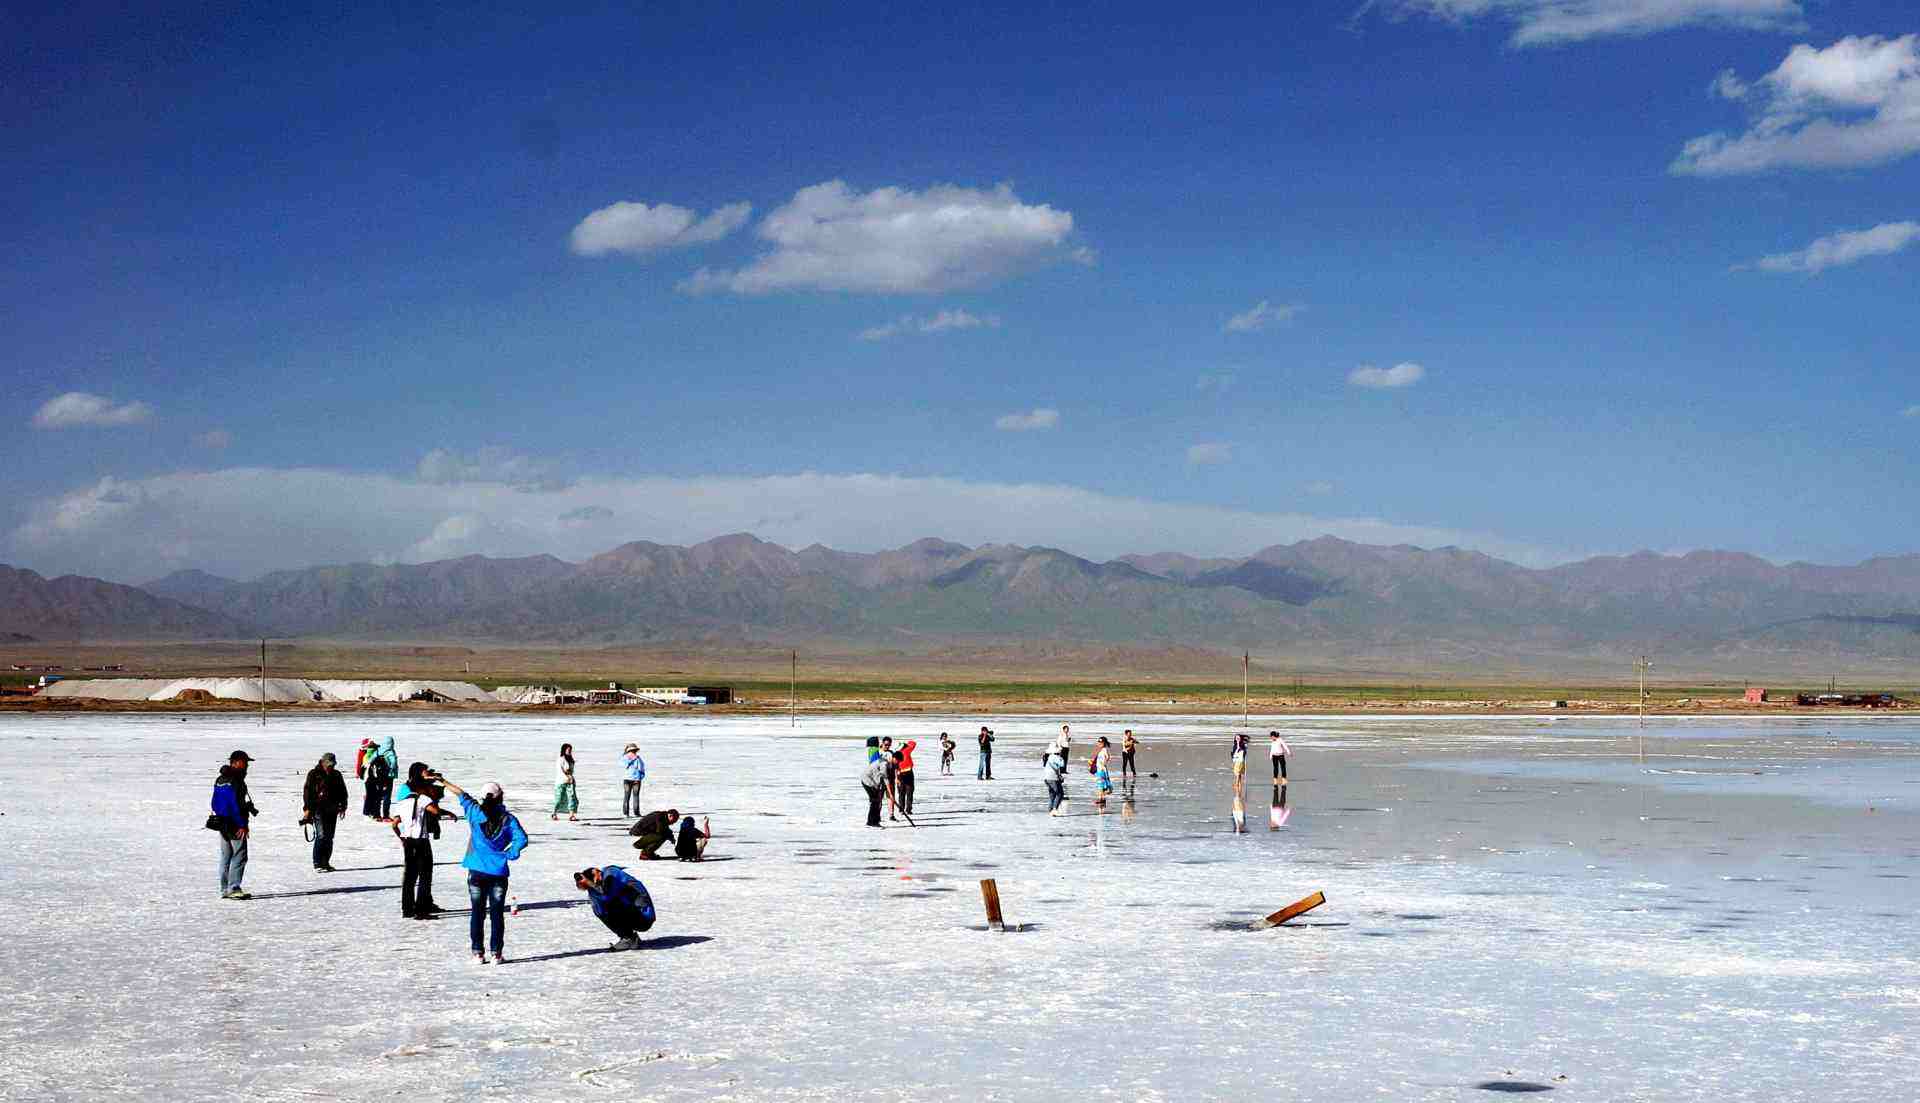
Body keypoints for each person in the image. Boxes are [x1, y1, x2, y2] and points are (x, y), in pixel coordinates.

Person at [439, 776, 528, 964]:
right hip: (498, 871)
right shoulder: (508, 820)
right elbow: (522, 839)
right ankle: (496, 953)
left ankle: (478, 953)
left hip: (476, 870)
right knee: (496, 914)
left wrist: (443, 781)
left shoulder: (474, 812)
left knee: (477, 912)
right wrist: (509, 854)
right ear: (500, 797)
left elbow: (461, 794)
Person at [388, 762, 454, 919]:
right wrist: (448, 813)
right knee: (425, 874)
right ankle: (422, 909)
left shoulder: (403, 801)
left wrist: (401, 837)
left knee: (410, 875)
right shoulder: (421, 798)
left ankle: (407, 909)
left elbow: (394, 823)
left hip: (408, 840)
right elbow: (435, 810)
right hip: (421, 840)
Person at [210, 749, 258, 899]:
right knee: (239, 855)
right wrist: (242, 824)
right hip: (235, 823)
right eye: (245, 762)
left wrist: (221, 817)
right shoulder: (236, 780)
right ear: (236, 762)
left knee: (226, 855)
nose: (247, 766)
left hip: (222, 822)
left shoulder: (220, 779)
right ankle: (234, 887)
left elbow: (214, 802)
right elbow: (236, 805)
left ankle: (224, 889)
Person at [575, 866, 656, 950]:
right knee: (603, 907)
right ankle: (629, 937)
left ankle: (629, 938)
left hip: (644, 917)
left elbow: (607, 895)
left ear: (597, 872)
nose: (598, 884)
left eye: (597, 881)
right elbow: (599, 911)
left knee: (609, 904)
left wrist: (590, 883)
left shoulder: (611, 875)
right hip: (635, 913)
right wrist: (588, 886)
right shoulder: (600, 882)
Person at [302, 752, 349, 872]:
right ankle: (317, 863)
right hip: (317, 809)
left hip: (332, 809)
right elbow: (308, 793)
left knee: (329, 837)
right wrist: (307, 809)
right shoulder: (314, 774)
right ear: (322, 762)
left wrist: (343, 806)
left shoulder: (337, 775)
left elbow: (343, 792)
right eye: (328, 764)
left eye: (332, 765)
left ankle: (325, 862)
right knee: (322, 835)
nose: (330, 767)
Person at [365, 736, 398, 820]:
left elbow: (369, 761)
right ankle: (386, 816)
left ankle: (377, 815)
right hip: (388, 778)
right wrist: (391, 771)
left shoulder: (378, 751)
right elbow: (393, 762)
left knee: (378, 795)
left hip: (378, 777)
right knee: (387, 796)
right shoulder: (390, 752)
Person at [553, 743, 579, 821]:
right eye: (568, 750)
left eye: (570, 750)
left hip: (570, 782)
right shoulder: (561, 759)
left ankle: (572, 815)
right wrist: (566, 777)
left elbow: (571, 770)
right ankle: (554, 813)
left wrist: (571, 778)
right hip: (561, 782)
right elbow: (560, 770)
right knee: (559, 798)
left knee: (572, 797)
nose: (570, 751)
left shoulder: (571, 760)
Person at [862, 751, 887, 827]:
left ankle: (874, 821)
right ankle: (872, 822)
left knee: (876, 801)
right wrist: (879, 788)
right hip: (868, 782)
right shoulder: (884, 764)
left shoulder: (883, 761)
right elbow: (881, 777)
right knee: (875, 801)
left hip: (869, 780)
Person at [622, 743, 646, 817]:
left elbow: (623, 766)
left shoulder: (624, 757)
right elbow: (641, 768)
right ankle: (636, 813)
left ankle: (626, 813)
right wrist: (641, 777)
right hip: (636, 780)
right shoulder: (638, 758)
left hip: (627, 779)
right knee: (636, 796)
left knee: (626, 796)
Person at [895, 738, 918, 817]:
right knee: (909, 792)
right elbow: (913, 743)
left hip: (900, 774)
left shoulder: (896, 753)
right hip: (908, 773)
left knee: (901, 792)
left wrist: (896, 778)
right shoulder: (907, 750)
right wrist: (906, 744)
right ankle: (908, 809)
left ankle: (901, 809)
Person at [1042, 745, 1066, 815]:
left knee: (1052, 794)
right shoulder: (1056, 757)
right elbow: (1062, 764)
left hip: (1047, 778)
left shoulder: (1049, 757)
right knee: (1060, 794)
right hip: (1053, 778)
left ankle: (1050, 809)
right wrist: (1061, 758)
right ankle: (1054, 809)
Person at [1091, 736, 1115, 802]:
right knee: (1101, 784)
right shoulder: (1101, 750)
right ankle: (1102, 798)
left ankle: (1101, 798)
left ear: (1104, 743)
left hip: (1102, 769)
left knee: (1101, 784)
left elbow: (1108, 757)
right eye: (1099, 742)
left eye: (1101, 743)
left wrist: (1104, 763)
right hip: (1099, 769)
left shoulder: (1104, 750)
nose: (1099, 744)